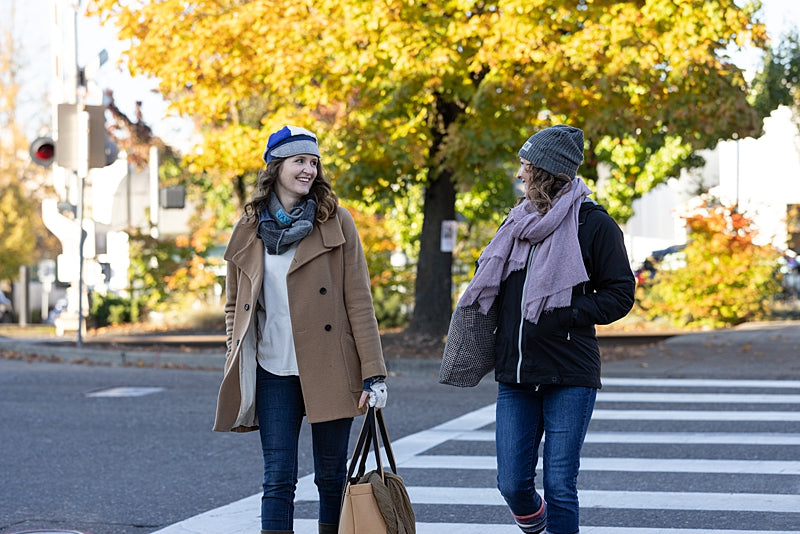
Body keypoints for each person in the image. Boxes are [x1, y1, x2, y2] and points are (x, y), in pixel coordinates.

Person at [457, 125, 635, 534]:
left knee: (559, 485)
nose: (520, 174)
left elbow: (620, 293)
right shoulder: (516, 223)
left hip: (569, 373)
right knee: (512, 485)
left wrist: (565, 311)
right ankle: (537, 526)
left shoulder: (593, 224)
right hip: (516, 375)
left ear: (546, 171)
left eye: (526, 166)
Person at [213, 125, 389, 534]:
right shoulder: (249, 227)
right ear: (276, 167)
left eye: (313, 162)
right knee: (278, 479)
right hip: (274, 369)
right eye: (299, 161)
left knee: (331, 478)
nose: (308, 169)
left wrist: (373, 372)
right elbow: (234, 306)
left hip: (331, 366)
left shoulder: (337, 222)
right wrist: (234, 357)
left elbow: (359, 300)